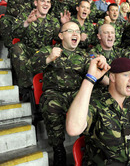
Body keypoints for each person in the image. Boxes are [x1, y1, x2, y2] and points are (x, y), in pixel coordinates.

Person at [27, 21, 90, 166]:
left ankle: (88, 145)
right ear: (61, 35)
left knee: (91, 103)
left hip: (76, 95)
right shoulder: (49, 50)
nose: (75, 34)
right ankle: (58, 149)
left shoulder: (84, 55)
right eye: (70, 31)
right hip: (55, 94)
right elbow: (29, 66)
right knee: (51, 104)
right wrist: (49, 59)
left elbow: (93, 74)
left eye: (78, 31)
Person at [10, 0, 60, 92]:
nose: (46, 4)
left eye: (48, 2)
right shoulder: (25, 15)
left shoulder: (54, 21)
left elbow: (59, 40)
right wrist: (27, 22)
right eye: (43, 1)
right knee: (16, 48)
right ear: (36, 3)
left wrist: (64, 26)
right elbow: (14, 33)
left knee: (51, 50)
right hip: (28, 51)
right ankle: (26, 88)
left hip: (43, 53)